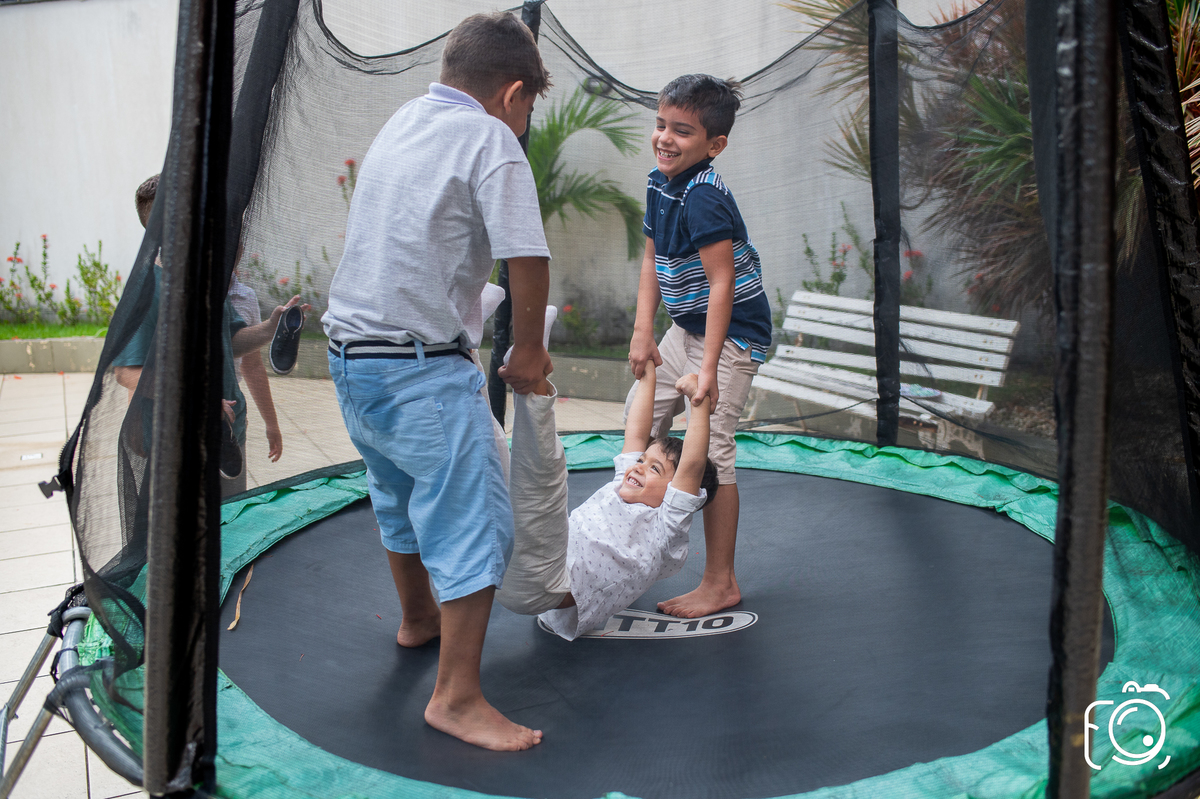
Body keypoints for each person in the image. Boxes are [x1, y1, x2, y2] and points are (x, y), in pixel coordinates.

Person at [320, 12, 553, 752]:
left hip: (352, 361)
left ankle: (418, 617)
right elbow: (527, 257)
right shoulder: (491, 138)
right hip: (420, 370)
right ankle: (456, 696)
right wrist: (528, 355)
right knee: (473, 521)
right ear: (512, 93)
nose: (524, 123)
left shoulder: (404, 119)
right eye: (529, 109)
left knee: (396, 491)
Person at [627, 74, 772, 618]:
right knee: (637, 416)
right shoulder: (658, 181)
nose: (665, 138)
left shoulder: (705, 197)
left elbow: (721, 284)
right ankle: (631, 541)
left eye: (682, 131)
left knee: (710, 448)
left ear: (714, 145)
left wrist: (707, 370)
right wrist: (644, 332)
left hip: (731, 337)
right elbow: (650, 259)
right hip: (684, 328)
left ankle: (720, 581)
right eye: (661, 124)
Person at [496, 353, 718, 641]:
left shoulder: (665, 527)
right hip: (535, 568)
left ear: (676, 493)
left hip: (548, 586)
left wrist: (697, 401)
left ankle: (533, 376)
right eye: (642, 460)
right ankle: (472, 356)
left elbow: (691, 466)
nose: (638, 466)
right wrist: (648, 375)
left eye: (654, 468)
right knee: (493, 474)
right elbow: (637, 433)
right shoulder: (622, 485)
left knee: (540, 479)